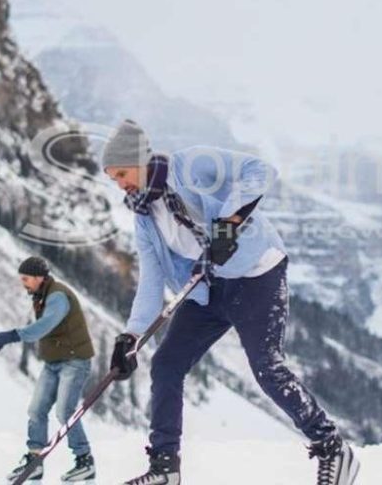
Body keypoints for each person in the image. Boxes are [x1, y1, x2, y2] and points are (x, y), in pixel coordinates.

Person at [102, 119, 359, 485]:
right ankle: (164, 468)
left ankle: (332, 446)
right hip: (207, 288)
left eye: (123, 173)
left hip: (256, 275)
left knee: (266, 367)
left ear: (141, 160)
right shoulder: (144, 218)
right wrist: (131, 337)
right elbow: (152, 279)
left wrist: (230, 221)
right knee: (166, 364)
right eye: (114, 179)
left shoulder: (190, 165)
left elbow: (259, 170)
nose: (121, 185)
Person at [0, 256, 96, 483]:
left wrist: (13, 335)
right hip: (54, 362)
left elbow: (44, 326)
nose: (24, 283)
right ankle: (34, 460)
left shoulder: (57, 295)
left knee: (65, 412)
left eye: (26, 278)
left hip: (74, 361)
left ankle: (84, 460)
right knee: (36, 410)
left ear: (39, 277)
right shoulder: (42, 295)